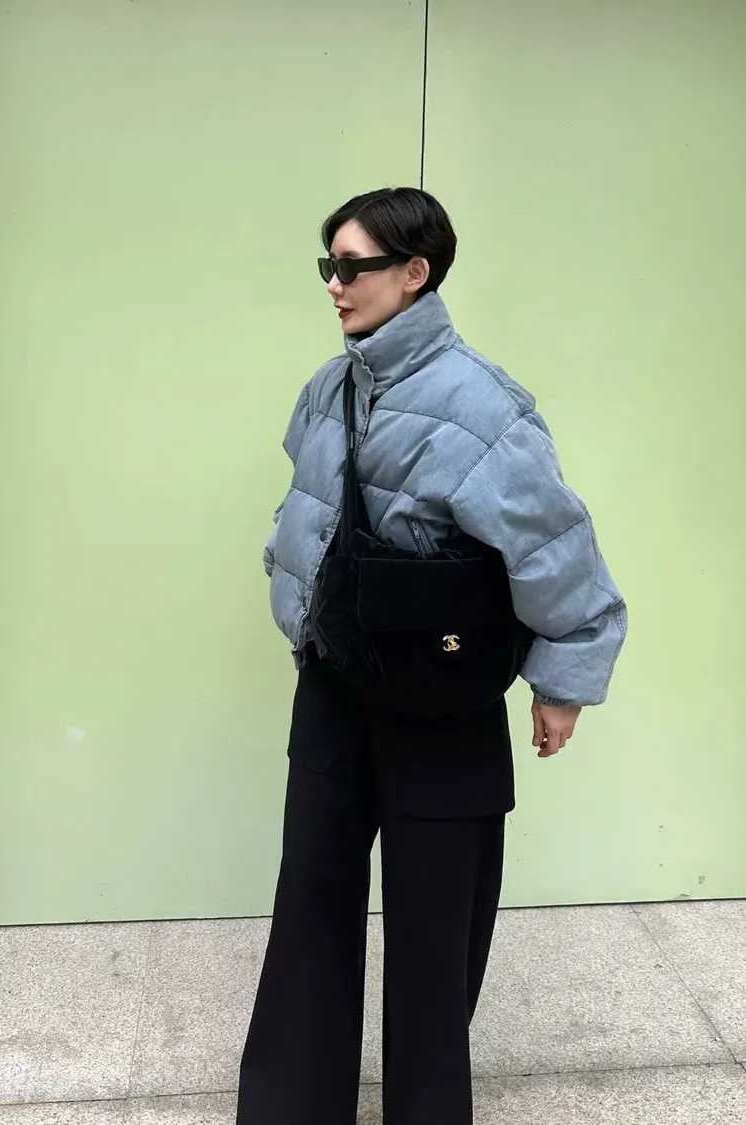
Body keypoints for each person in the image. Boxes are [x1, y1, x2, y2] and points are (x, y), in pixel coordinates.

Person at [236, 187, 627, 1125]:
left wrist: (564, 680)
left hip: (440, 698)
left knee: (434, 926)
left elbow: (554, 548)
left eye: (353, 267)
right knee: (312, 897)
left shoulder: (482, 406)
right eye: (328, 266)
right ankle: (292, 1107)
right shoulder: (328, 388)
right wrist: (293, 591)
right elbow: (304, 509)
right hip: (335, 684)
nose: (335, 285)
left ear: (415, 272)